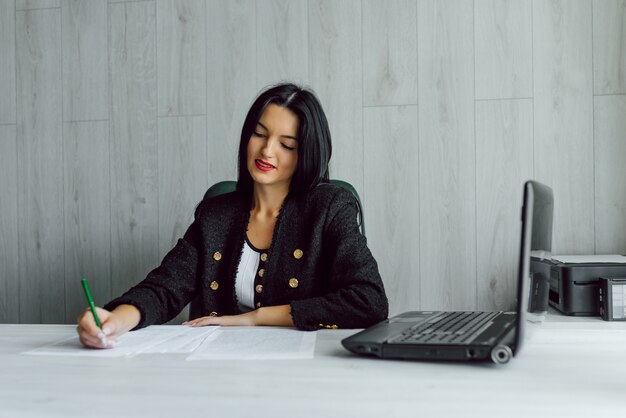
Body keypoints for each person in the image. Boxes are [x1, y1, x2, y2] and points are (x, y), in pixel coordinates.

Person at [77, 83, 388, 349]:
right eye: (259, 134)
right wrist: (115, 320)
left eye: (286, 144)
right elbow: (164, 288)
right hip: (222, 367)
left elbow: (369, 301)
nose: (267, 151)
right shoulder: (215, 214)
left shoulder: (331, 207)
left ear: (307, 153)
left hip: (305, 369)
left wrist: (256, 318)